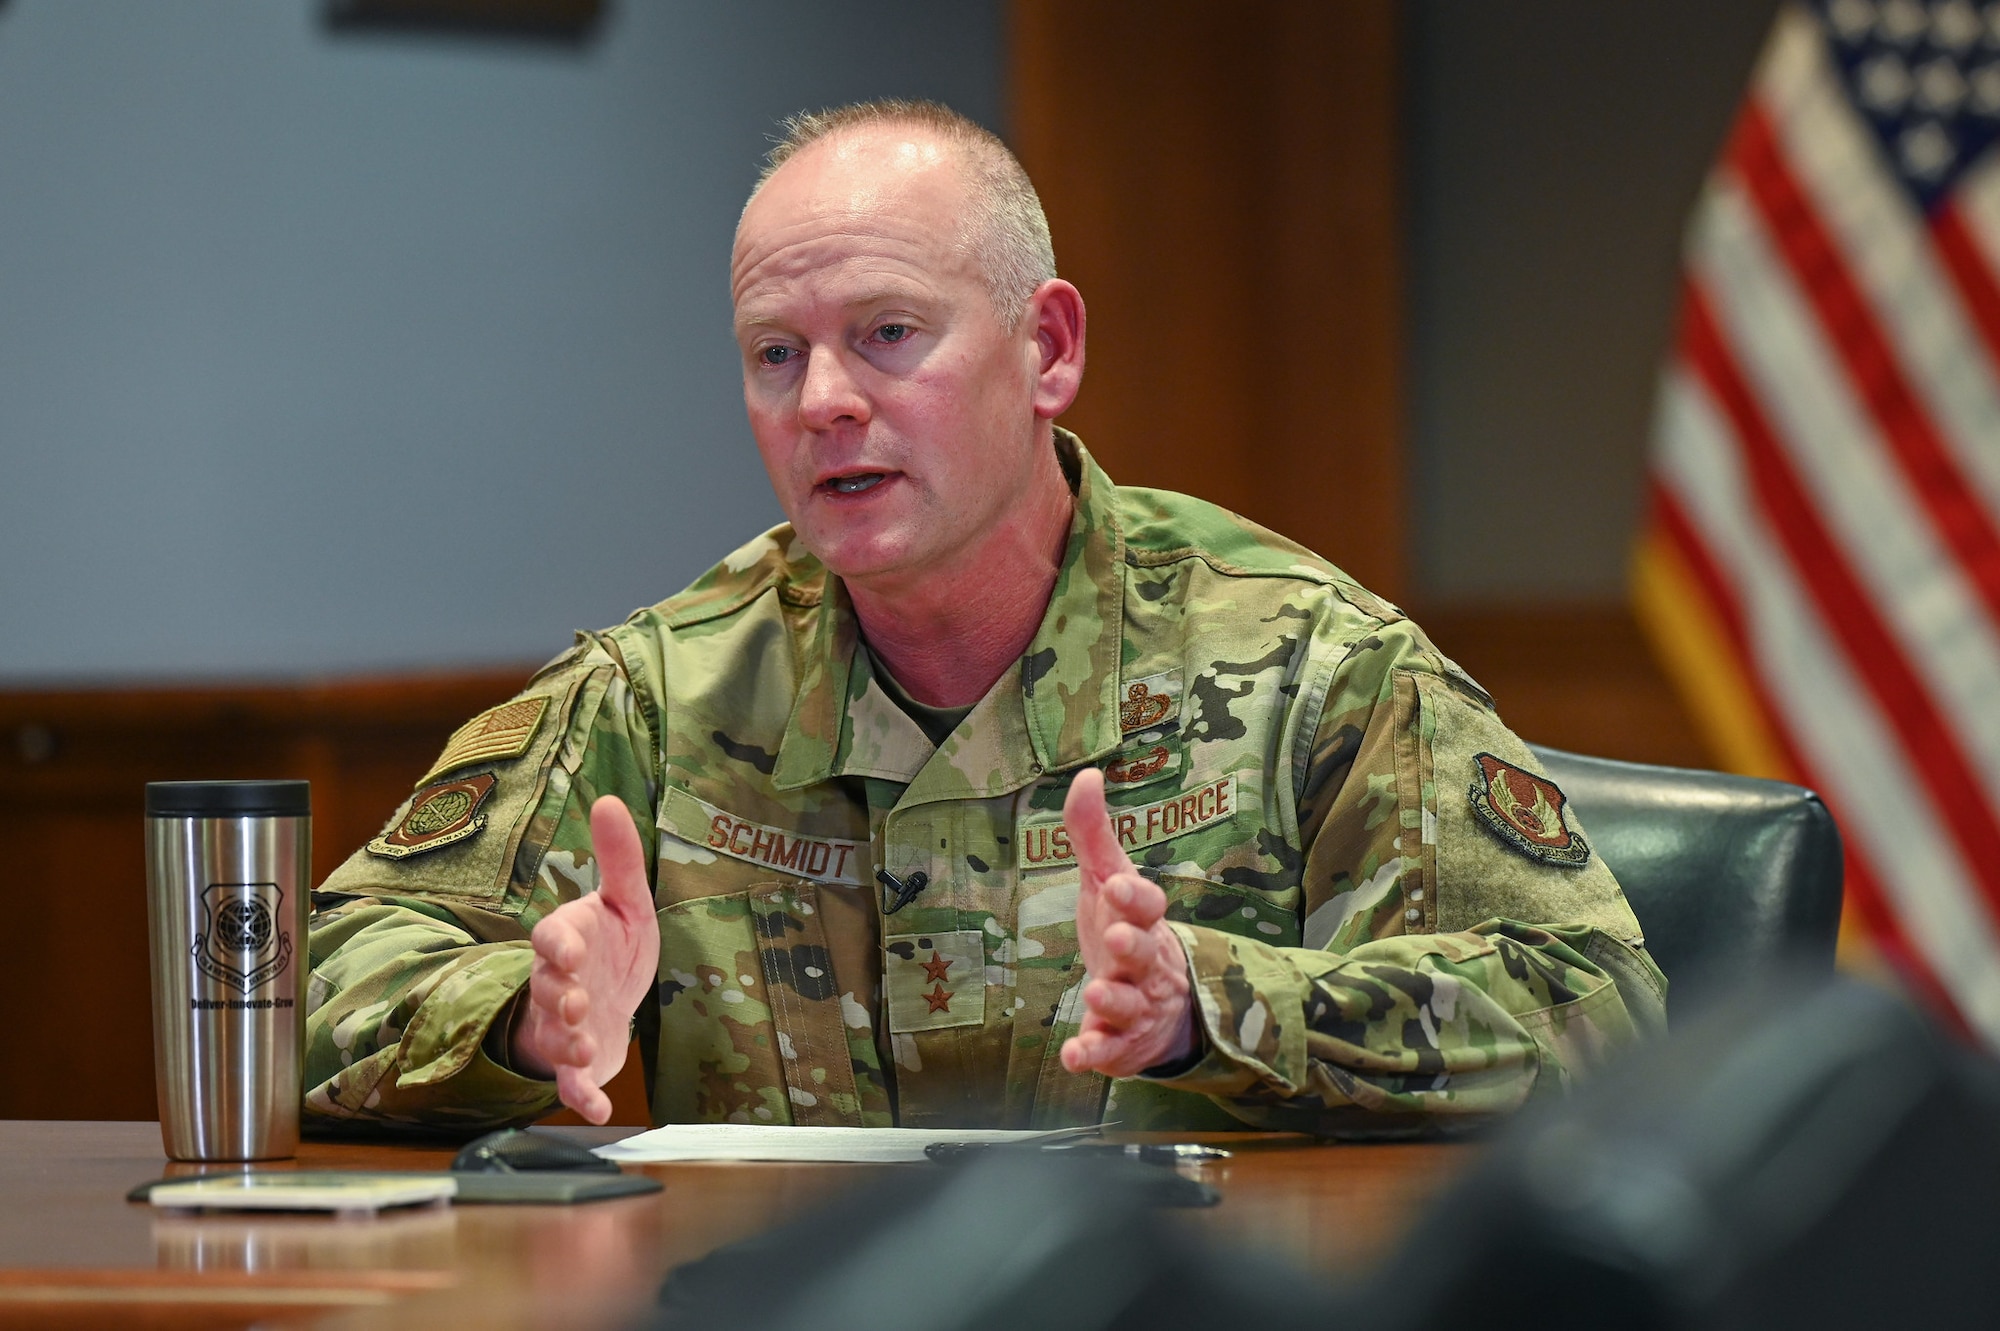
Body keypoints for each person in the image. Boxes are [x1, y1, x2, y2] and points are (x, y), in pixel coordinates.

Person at [303, 100, 1666, 1136]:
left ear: (1050, 350)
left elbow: (1597, 1000)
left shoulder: (1309, 665)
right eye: (775, 355)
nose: (824, 397)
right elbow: (311, 986)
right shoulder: (663, 693)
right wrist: (523, 1020)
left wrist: (1219, 1004)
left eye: (888, 333)